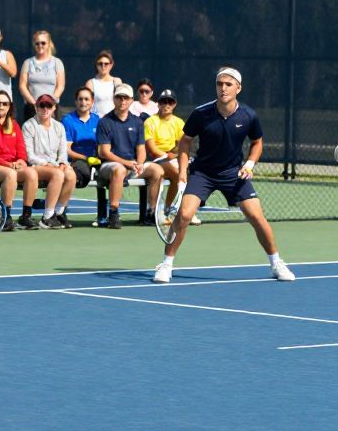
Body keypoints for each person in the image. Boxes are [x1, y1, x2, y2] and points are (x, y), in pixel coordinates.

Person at [154, 68, 294, 284]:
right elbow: (185, 141)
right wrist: (182, 172)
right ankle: (166, 264)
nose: (223, 88)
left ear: (238, 88)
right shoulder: (201, 113)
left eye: (228, 84)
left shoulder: (248, 115)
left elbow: (257, 142)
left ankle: (276, 263)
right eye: (219, 84)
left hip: (233, 173)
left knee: (257, 217)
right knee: (184, 215)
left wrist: (249, 164)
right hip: (203, 173)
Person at [95, 83, 164, 229]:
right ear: (114, 99)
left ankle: (152, 212)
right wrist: (127, 163)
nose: (122, 101)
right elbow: (104, 152)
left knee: (157, 170)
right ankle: (113, 213)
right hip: (109, 166)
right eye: (119, 97)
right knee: (119, 170)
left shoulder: (137, 122)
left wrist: (139, 163)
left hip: (132, 165)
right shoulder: (104, 122)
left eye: (125, 98)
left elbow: (141, 149)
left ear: (132, 100)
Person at [0, 90, 40, 231]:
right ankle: (5, 218)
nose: (1, 106)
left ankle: (25, 216)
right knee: (10, 174)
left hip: (12, 166)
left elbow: (21, 149)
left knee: (32, 173)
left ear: (10, 106)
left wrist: (22, 160)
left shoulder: (14, 125)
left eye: (5, 103)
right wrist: (8, 165)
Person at [144, 88, 199, 224]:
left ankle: (184, 211)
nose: (166, 105)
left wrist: (175, 155)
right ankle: (162, 209)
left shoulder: (178, 122)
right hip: (155, 160)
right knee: (178, 171)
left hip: (172, 158)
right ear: (158, 104)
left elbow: (183, 146)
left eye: (170, 102)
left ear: (174, 104)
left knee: (192, 172)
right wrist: (168, 156)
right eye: (163, 101)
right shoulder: (150, 122)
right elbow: (152, 149)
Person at [22, 94, 77, 229]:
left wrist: (63, 163)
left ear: (54, 108)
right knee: (58, 174)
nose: (45, 109)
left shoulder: (59, 127)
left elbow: (63, 151)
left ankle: (58, 213)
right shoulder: (29, 126)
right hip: (34, 166)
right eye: (42, 105)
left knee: (71, 175)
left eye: (49, 106)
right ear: (36, 108)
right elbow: (29, 155)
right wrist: (46, 164)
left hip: (54, 165)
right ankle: (46, 217)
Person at [18, 30, 64, 121]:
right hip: (31, 109)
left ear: (49, 43)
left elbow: (60, 86)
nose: (40, 46)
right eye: (37, 43)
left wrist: (50, 103)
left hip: (52, 109)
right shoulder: (27, 63)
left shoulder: (57, 62)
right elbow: (22, 86)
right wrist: (34, 103)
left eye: (43, 43)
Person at [63, 86, 100, 188]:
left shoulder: (97, 119)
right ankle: (61, 201)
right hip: (76, 161)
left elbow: (102, 145)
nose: (83, 102)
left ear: (92, 102)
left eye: (86, 99)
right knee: (83, 173)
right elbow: (67, 150)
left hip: (96, 160)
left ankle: (106, 203)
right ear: (76, 101)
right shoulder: (67, 120)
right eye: (80, 99)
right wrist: (86, 158)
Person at [86, 49, 123, 117]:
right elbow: (87, 105)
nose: (103, 66)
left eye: (106, 64)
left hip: (113, 121)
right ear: (96, 65)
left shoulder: (117, 81)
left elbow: (121, 102)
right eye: (100, 64)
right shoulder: (90, 83)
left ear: (111, 65)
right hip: (96, 121)